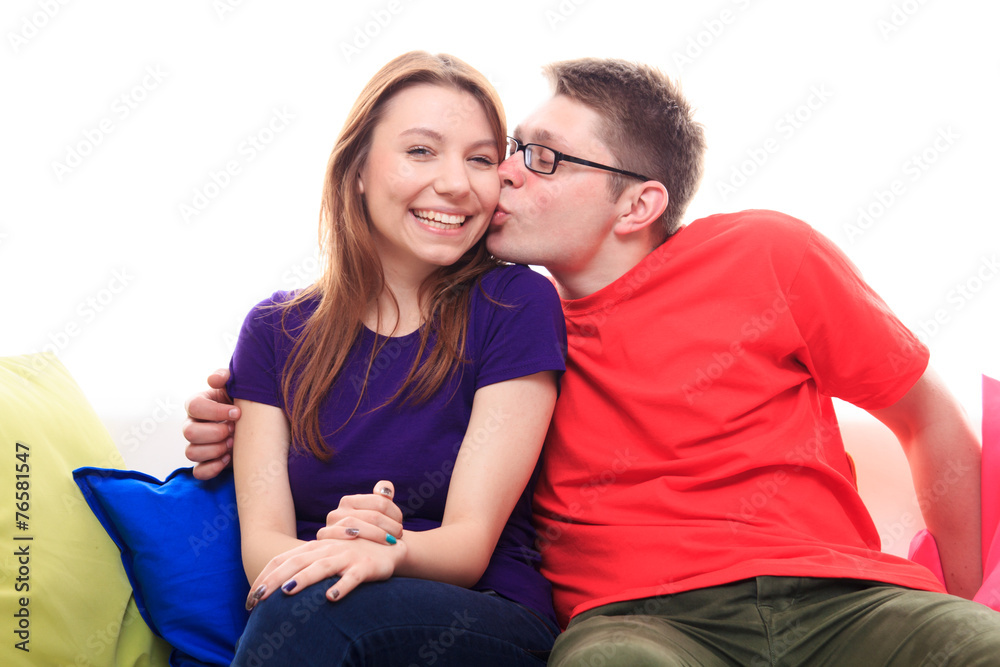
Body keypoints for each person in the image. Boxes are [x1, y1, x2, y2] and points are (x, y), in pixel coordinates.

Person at [187, 56, 1000, 665]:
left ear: (639, 203)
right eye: (511, 150)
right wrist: (233, 421)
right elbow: (372, 400)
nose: (498, 176)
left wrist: (965, 597)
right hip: (639, 623)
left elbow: (927, 412)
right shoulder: (522, 323)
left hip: (841, 599)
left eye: (537, 157)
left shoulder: (759, 253)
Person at [216, 51, 567, 666]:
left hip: (483, 613)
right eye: (421, 151)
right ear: (357, 170)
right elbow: (264, 549)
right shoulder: (273, 331)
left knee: (310, 611)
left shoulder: (516, 303)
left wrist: (384, 547)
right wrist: (340, 549)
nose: (456, 183)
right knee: (303, 604)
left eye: (481, 159)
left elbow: (468, 545)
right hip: (317, 602)